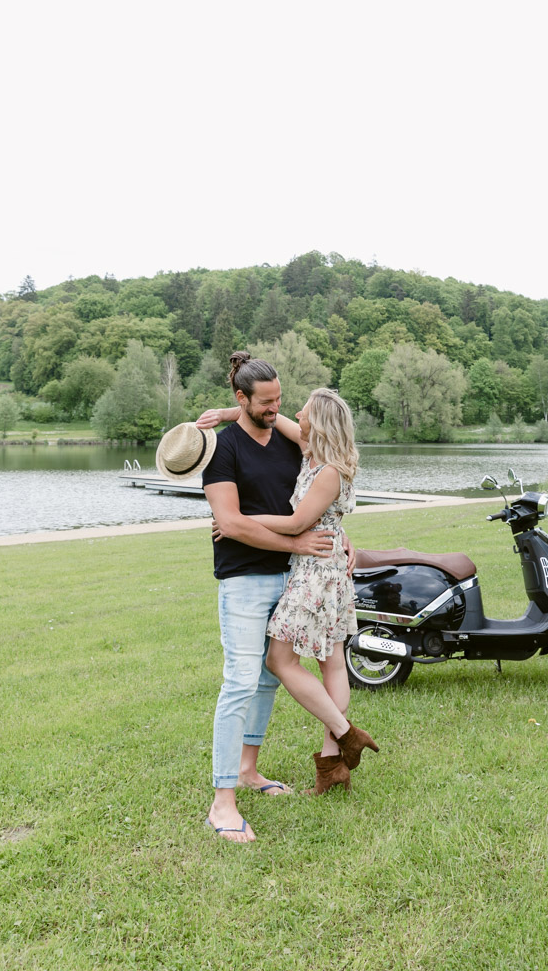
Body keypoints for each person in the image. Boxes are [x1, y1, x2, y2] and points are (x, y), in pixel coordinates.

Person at [195, 352, 344, 844]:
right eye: (266, 401)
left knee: (265, 679)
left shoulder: (287, 440)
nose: (276, 406)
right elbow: (231, 523)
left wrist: (333, 540)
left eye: (280, 398)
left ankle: (247, 771)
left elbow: (325, 488)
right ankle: (222, 803)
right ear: (242, 399)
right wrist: (296, 542)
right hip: (243, 579)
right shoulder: (222, 449)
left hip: (292, 578)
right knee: (239, 679)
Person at [252, 387, 378, 795]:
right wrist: (226, 411)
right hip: (326, 565)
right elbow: (285, 427)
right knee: (333, 663)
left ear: (318, 423)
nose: (295, 415)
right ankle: (331, 768)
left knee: (280, 659)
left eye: (303, 412)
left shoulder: (329, 472)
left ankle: (345, 735)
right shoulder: (315, 452)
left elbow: (295, 524)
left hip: (317, 571)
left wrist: (238, 518)